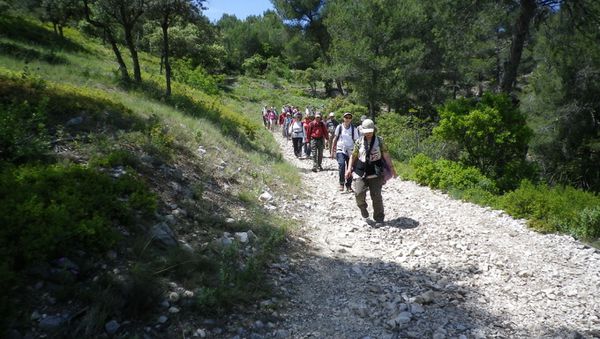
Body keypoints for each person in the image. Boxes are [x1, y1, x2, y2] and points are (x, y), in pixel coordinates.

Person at [345, 119, 397, 227]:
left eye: (370, 131)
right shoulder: (359, 142)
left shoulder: (380, 141)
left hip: (375, 170)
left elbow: (386, 155)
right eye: (366, 132)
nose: (368, 134)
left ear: (374, 130)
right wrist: (349, 169)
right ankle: (364, 211)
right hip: (361, 170)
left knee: (376, 196)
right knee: (358, 194)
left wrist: (392, 170)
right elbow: (353, 156)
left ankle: (379, 218)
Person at [331, 112, 360, 192]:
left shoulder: (354, 129)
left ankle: (349, 185)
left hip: (351, 150)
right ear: (343, 118)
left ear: (351, 119)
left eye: (349, 117)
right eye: (346, 117)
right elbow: (335, 138)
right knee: (342, 164)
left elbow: (357, 141)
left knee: (350, 167)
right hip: (340, 149)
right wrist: (332, 151)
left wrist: (358, 152)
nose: (347, 119)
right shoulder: (339, 127)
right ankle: (341, 183)